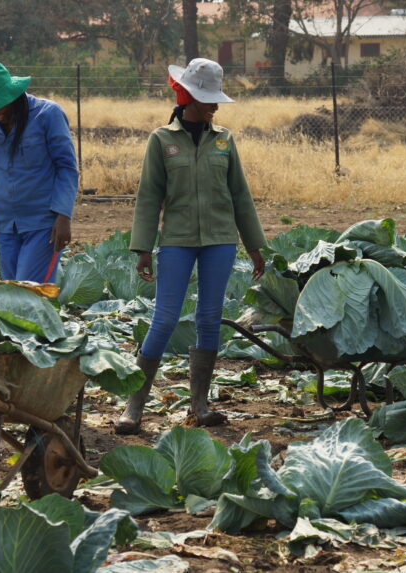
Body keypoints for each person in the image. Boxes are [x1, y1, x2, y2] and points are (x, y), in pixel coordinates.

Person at [115, 58, 267, 435]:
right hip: (177, 241)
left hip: (220, 240)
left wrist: (254, 245)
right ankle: (134, 406)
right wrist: (143, 248)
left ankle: (199, 405)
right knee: (165, 319)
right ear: (187, 97)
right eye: (207, 98)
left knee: (209, 318)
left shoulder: (224, 140)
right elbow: (148, 197)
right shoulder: (161, 140)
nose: (214, 105)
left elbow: (240, 196)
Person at [0, 61, 79, 283]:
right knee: (12, 296)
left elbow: (66, 167)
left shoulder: (47, 114)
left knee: (29, 293)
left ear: (12, 95)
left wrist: (63, 216)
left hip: (43, 224)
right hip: (6, 224)